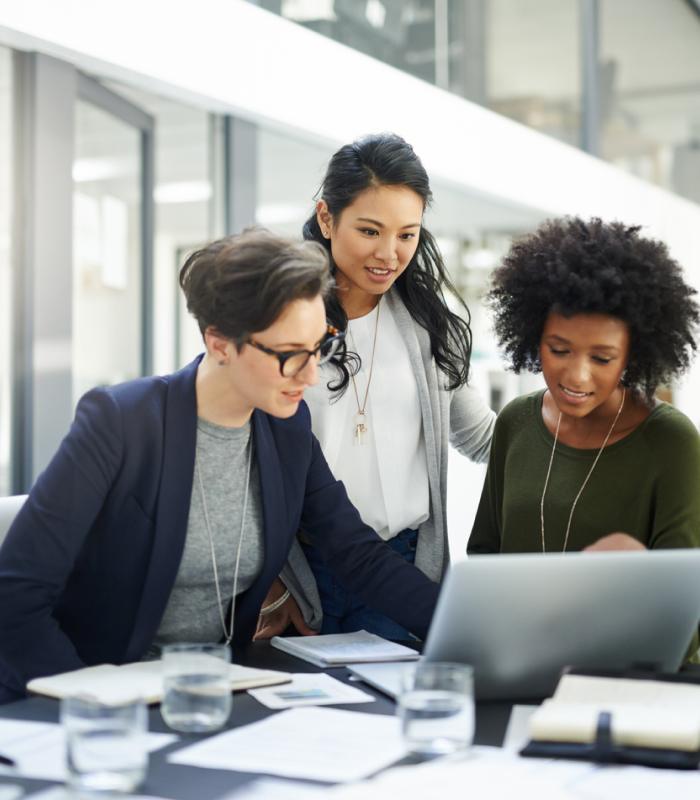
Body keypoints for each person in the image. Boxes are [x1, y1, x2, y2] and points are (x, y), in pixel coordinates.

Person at [0, 229, 441, 704]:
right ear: (221, 343)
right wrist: (99, 707)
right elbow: (17, 594)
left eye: (319, 348)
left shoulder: (286, 430)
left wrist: (459, 629)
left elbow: (357, 555)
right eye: (291, 356)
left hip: (213, 694)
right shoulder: (121, 422)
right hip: (94, 695)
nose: (311, 375)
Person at [256, 133, 495, 640]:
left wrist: (584, 420)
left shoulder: (430, 325)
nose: (389, 253)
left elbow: (481, 437)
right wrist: (274, 582)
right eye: (370, 230)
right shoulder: (278, 319)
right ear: (326, 218)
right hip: (302, 572)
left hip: (404, 568)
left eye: (407, 235)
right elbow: (244, 457)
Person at [467, 217, 700, 557]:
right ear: (534, 338)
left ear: (631, 356)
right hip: (513, 613)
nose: (577, 376)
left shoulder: (671, 441)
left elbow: (681, 593)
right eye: (559, 350)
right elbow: (484, 554)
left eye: (602, 358)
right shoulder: (515, 422)